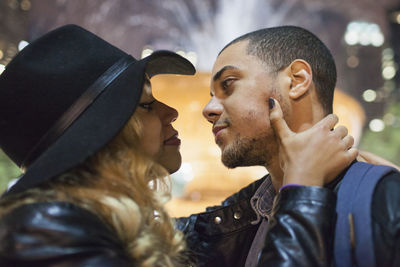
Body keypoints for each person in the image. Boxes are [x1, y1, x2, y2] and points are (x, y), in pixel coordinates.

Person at [0, 25, 357, 266]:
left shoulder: (86, 223)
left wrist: (281, 177)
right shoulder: (46, 234)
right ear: (103, 136)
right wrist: (302, 189)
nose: (171, 111)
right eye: (145, 104)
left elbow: (202, 232)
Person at [178, 25, 400, 267]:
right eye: (212, 94)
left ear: (297, 80)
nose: (208, 109)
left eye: (228, 84)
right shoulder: (246, 212)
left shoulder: (384, 197)